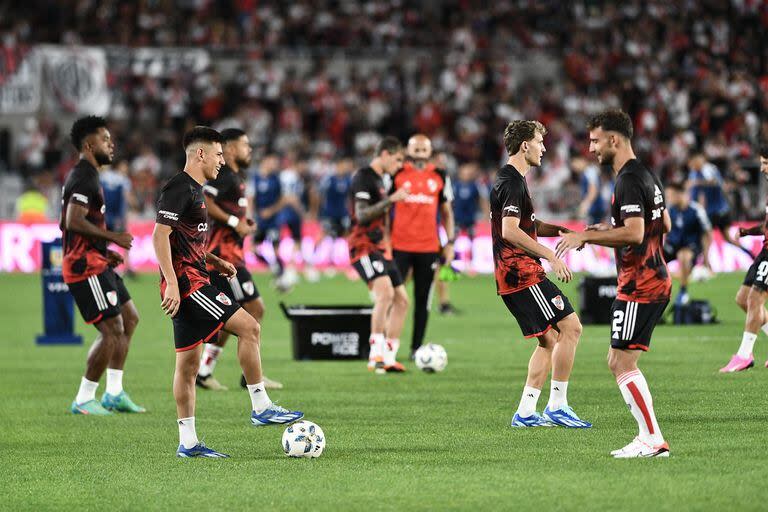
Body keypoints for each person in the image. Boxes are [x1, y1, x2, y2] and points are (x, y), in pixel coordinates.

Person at [152, 126, 302, 458]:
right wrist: (174, 283)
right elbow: (159, 236)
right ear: (200, 154)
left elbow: (183, 242)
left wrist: (214, 259)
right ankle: (261, 406)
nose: (223, 161)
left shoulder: (195, 190)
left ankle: (188, 443)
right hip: (190, 285)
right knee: (250, 327)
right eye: (218, 154)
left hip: (194, 276)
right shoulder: (180, 187)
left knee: (189, 365)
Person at [557, 109, 671, 457]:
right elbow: (662, 224)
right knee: (616, 360)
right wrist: (600, 231)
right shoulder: (646, 174)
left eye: (595, 140)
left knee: (621, 363)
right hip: (649, 278)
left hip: (641, 283)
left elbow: (636, 233)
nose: (591, 148)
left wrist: (587, 239)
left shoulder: (626, 180)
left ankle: (652, 439)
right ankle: (647, 437)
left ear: (614, 140)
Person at [490, 120, 591, 429]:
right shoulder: (512, 182)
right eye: (539, 142)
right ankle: (558, 405)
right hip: (522, 275)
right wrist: (550, 255)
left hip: (513, 276)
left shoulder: (511, 180)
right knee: (571, 329)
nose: (544, 148)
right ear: (525, 146)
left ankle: (525, 412)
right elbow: (510, 231)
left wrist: (561, 230)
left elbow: (526, 224)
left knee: (549, 340)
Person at [61, 116, 144, 415]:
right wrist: (113, 238)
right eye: (104, 139)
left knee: (129, 318)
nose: (111, 144)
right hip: (84, 268)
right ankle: (84, 398)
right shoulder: (84, 176)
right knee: (112, 328)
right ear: (88, 144)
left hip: (96, 260)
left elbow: (64, 222)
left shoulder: (89, 176)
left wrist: (103, 250)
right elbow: (72, 220)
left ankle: (114, 392)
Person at [196, 128, 282, 391]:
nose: (250, 150)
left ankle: (206, 370)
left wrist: (242, 223)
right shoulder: (225, 176)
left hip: (232, 255)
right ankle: (244, 376)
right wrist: (235, 221)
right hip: (224, 258)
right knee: (254, 310)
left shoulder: (236, 177)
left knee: (232, 315)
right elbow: (205, 200)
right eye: (246, 145)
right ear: (230, 149)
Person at [348, 137, 410, 373]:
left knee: (402, 300)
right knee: (384, 294)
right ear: (384, 154)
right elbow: (362, 215)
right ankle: (375, 355)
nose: (400, 164)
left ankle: (390, 356)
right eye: (397, 159)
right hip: (362, 246)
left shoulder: (379, 180)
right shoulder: (364, 177)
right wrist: (391, 200)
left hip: (380, 248)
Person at [391, 134, 455, 356]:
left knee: (422, 300)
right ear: (408, 151)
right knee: (392, 297)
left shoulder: (440, 175)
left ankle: (416, 348)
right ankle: (388, 346)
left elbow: (447, 212)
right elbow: (384, 206)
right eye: (415, 149)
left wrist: (450, 242)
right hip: (399, 246)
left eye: (423, 149)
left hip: (428, 248)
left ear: (430, 152)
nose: (419, 153)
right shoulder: (396, 174)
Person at [719, 145, 768, 373]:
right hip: (764, 252)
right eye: (761, 163)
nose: (762, 168)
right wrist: (748, 232)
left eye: (766, 163)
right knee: (742, 298)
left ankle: (744, 354)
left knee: (756, 298)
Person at [662, 182, 712, 306]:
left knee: (683, 257)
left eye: (671, 195)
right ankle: (658, 295)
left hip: (691, 246)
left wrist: (706, 257)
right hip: (672, 245)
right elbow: (663, 230)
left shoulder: (696, 210)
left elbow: (707, 234)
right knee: (652, 262)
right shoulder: (669, 210)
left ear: (680, 195)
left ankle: (683, 292)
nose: (668, 198)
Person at [100, 159, 136, 277]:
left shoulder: (104, 176)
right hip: (117, 217)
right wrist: (136, 205)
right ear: (119, 166)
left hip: (104, 215)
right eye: (124, 166)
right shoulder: (124, 180)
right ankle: (128, 267)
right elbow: (126, 197)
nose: (126, 169)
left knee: (105, 240)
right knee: (123, 240)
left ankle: (100, 264)